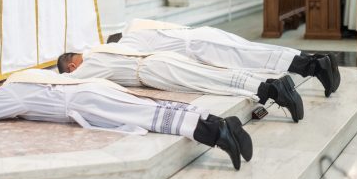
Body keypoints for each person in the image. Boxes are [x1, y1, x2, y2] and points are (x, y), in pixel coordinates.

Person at [0, 69, 253, 170]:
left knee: (149, 115)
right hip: (93, 90)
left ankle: (216, 136)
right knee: (152, 106)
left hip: (85, 101)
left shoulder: (10, 91)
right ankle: (220, 123)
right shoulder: (30, 75)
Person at [58, 44, 305, 123]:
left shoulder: (87, 66)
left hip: (153, 71)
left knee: (211, 81)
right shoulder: (100, 48)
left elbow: (66, 82)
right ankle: (273, 87)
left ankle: (274, 90)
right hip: (160, 58)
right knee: (213, 74)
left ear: (72, 66)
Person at [111, 26, 339, 97]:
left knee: (253, 56)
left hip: (201, 47)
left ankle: (314, 66)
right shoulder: (138, 30)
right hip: (203, 38)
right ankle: (315, 61)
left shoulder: (129, 42)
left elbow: (125, 60)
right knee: (255, 52)